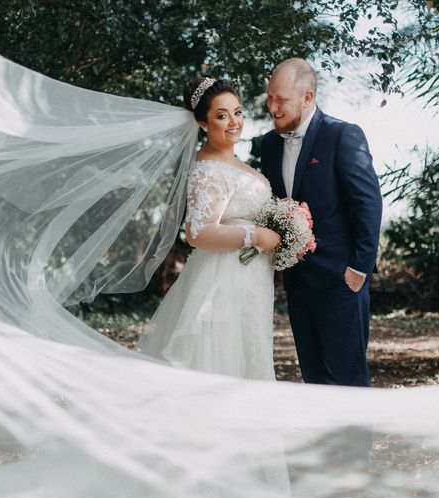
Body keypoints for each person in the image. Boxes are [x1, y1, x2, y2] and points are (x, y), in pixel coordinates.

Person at [137, 76, 282, 380]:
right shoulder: (208, 170)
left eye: (238, 112)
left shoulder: (236, 163)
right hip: (224, 280)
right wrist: (256, 234)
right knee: (222, 359)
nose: (234, 122)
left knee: (250, 355)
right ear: (203, 123)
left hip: (250, 278)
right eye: (221, 115)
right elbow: (198, 233)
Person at [259, 58, 383, 387]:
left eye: (281, 99)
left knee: (349, 381)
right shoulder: (269, 145)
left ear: (308, 97)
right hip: (298, 285)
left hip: (342, 282)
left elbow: (368, 203)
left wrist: (359, 269)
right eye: (270, 97)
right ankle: (326, 442)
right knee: (314, 382)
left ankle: (356, 442)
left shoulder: (342, 135)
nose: (272, 106)